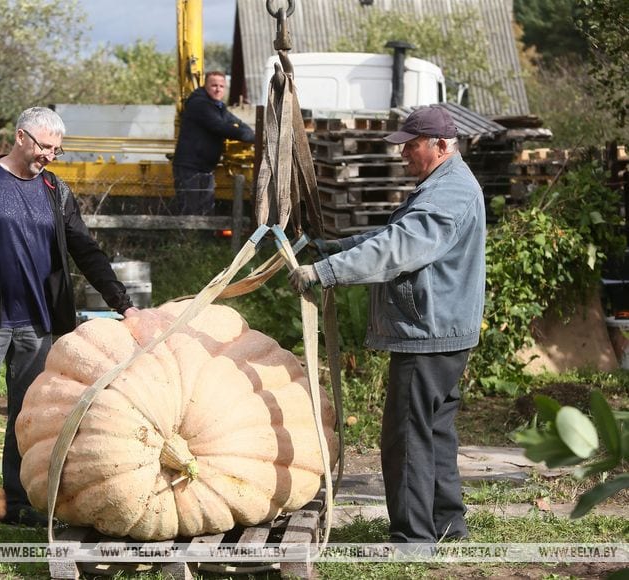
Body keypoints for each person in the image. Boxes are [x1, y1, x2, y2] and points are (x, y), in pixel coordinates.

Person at [288, 106, 486, 543]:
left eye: (411, 146)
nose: (403, 155)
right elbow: (390, 236)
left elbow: (399, 248)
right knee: (432, 433)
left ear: (440, 145)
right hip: (440, 329)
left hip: (428, 333)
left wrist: (327, 273)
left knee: (407, 439)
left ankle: (413, 541)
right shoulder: (442, 185)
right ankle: (448, 525)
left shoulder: (448, 193)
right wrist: (333, 249)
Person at [0, 107, 138, 527]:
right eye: (45, 146)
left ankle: (16, 501)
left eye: (56, 150)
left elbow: (85, 250)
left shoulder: (54, 191)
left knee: (26, 417)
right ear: (21, 137)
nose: (49, 155)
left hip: (40, 326)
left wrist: (124, 303)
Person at [172, 71, 255, 215]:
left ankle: (202, 237)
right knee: (190, 212)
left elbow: (236, 123)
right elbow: (220, 127)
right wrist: (250, 136)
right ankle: (188, 237)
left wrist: (251, 134)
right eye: (214, 85)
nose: (218, 89)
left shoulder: (218, 106)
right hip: (190, 167)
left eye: (221, 86)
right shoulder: (200, 104)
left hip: (205, 167)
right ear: (206, 86)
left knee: (206, 210)